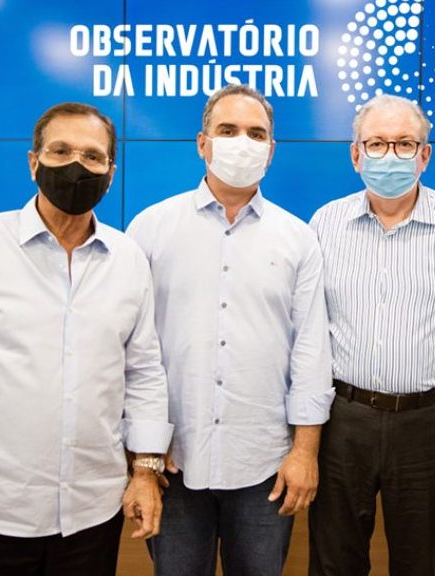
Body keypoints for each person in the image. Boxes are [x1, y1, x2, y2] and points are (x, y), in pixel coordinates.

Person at [0, 102, 173, 576]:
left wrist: (146, 471)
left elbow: (143, 372)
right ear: (33, 162)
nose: (76, 166)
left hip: (93, 515)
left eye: (92, 156)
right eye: (60, 151)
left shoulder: (128, 259)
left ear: (110, 173)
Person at [126, 83, 334, 576]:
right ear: (203, 143)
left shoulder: (298, 238)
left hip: (265, 465)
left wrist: (305, 452)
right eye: (228, 130)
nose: (243, 142)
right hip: (173, 462)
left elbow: (310, 350)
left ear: (271, 150)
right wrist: (144, 458)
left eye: (256, 133)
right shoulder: (150, 229)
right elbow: (132, 352)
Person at [308, 94, 435, 576]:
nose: (390, 155)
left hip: (426, 423)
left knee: (417, 562)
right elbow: (307, 334)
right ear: (355, 155)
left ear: (424, 155)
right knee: (334, 561)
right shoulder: (325, 224)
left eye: (405, 144)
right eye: (376, 144)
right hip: (343, 418)